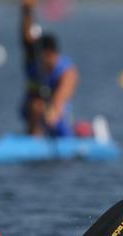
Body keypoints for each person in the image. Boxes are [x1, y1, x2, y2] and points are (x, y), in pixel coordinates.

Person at [20, 0, 78, 136]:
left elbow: (61, 97)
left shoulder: (67, 71)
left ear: (51, 54)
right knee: (35, 105)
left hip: (58, 116)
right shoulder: (33, 60)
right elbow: (25, 38)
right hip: (32, 112)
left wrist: (53, 112)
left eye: (45, 57)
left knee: (40, 108)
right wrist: (27, 11)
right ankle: (34, 137)